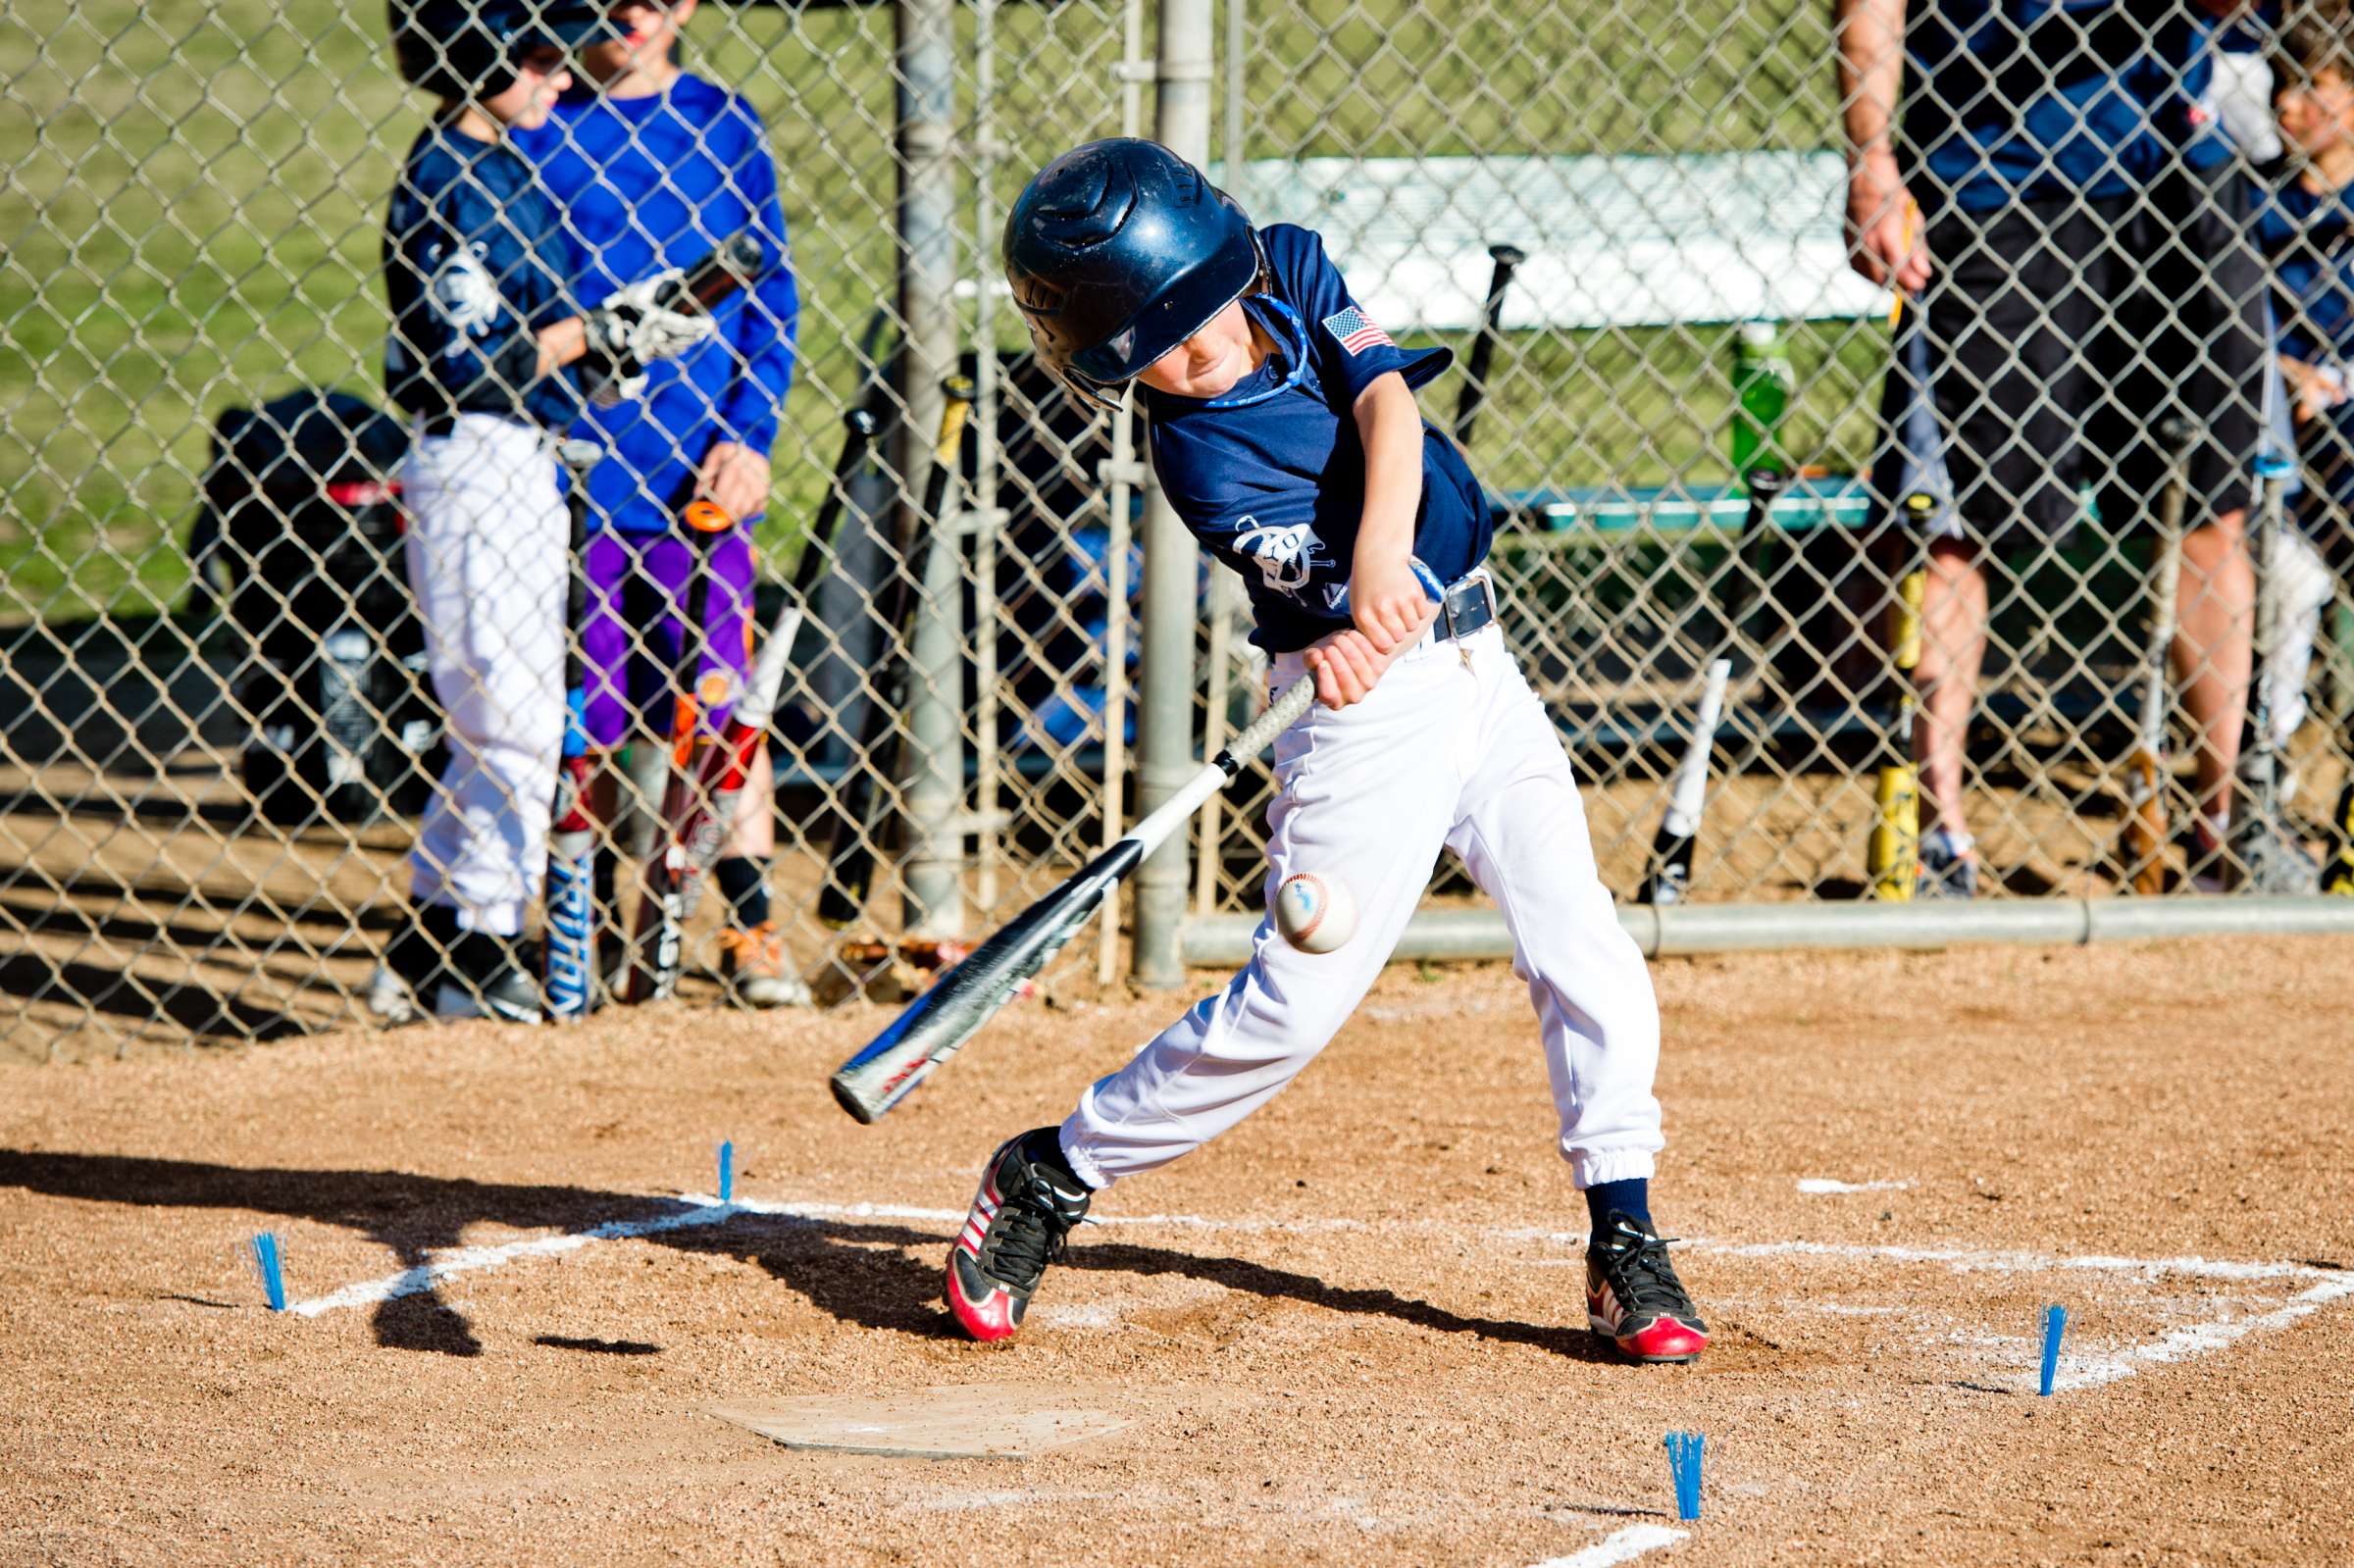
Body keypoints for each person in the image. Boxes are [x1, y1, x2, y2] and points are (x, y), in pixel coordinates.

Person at [942, 139, 1710, 1365]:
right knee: (1291, 1010)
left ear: (1230, 260)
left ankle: (1626, 1235)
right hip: (1361, 717)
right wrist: (1345, 631)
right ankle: (1055, 1168)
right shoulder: (1198, 453)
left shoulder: (1288, 266)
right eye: (1157, 357)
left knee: (1585, 946)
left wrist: (1377, 565)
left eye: (1200, 327)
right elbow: (1328, 621)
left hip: (1479, 663)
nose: (1192, 366)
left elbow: (1385, 407)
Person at [1842, 0, 2269, 894]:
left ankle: (2223, 828)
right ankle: (1939, 837)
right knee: (1958, 523)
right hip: (1990, 180)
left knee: (2209, 504)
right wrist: (1872, 157)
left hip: (2173, 180)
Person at [374, 0, 714, 1022]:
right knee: (512, 719)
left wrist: (622, 342)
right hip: (471, 458)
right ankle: (482, 945)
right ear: (476, 58)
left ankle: (434, 934)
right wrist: (589, 333)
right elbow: (466, 358)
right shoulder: (447, 183)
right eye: (536, 61)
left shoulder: (506, 168)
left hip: (524, 457)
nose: (562, 81)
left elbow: (540, 345)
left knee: (502, 715)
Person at [511, 0, 806, 1008]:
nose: (631, 12)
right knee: (580, 711)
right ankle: (577, 925)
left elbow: (770, 296)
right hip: (575, 477)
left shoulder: (723, 124)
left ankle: (746, 921)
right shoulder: (536, 116)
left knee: (718, 701)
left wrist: (750, 437)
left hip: (702, 480)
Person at [2260, 7, 2354, 887]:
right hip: (2289, 467)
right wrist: (2285, 368)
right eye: (2282, 85)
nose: (2290, 106)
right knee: (2286, 585)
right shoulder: (2260, 204)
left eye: (2314, 87)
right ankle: (2270, 777)